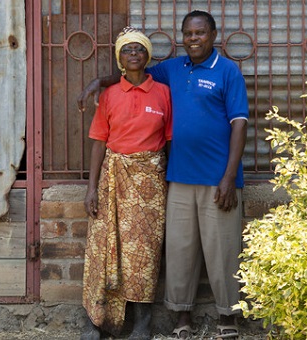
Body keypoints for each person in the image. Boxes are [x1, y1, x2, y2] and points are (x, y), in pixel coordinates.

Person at [78, 10, 248, 340]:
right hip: (180, 178)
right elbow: (133, 73)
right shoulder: (173, 68)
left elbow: (239, 124)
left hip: (218, 179)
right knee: (180, 250)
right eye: (188, 33)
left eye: (200, 33)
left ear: (213, 35)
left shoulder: (228, 72)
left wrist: (229, 177)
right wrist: (98, 82)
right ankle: (181, 316)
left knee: (223, 249)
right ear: (181, 37)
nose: (194, 38)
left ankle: (229, 317)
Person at [81, 27, 172, 340]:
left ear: (147, 56)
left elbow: (171, 142)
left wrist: (171, 182)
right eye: (127, 50)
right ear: (119, 58)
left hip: (150, 183)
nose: (134, 54)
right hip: (112, 179)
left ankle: (142, 324)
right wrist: (92, 188)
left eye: (139, 49)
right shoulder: (109, 95)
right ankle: (96, 322)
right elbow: (98, 142)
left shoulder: (163, 92)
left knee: (144, 252)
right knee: (102, 248)